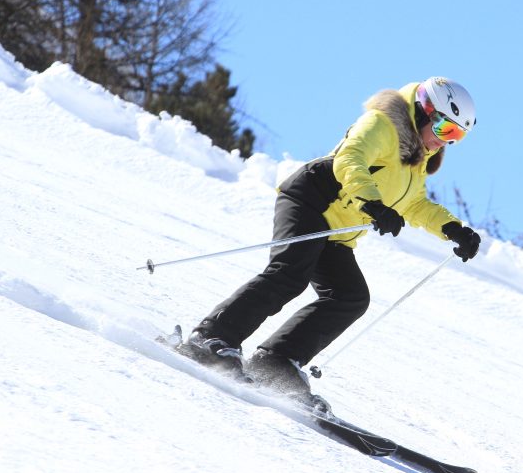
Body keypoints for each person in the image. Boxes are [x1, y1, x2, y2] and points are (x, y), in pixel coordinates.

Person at [181, 76, 482, 405]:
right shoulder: (382, 123)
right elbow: (350, 158)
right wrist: (372, 202)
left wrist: (453, 229)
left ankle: (276, 362)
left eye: (457, 136)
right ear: (424, 112)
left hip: (338, 230)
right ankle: (211, 338)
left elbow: (414, 204)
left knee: (349, 296)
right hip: (311, 199)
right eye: (445, 129)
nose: (446, 142)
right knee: (289, 273)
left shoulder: (414, 162)